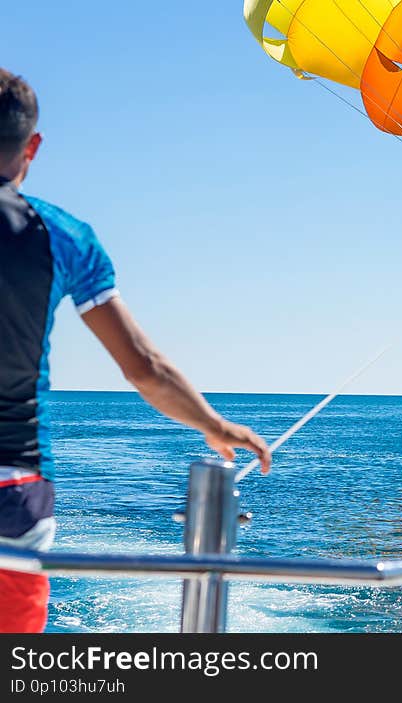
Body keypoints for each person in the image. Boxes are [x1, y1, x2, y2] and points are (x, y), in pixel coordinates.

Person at [0, 68, 272, 633]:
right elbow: (143, 368)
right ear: (33, 146)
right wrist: (214, 424)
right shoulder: (65, 236)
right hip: (16, 492)